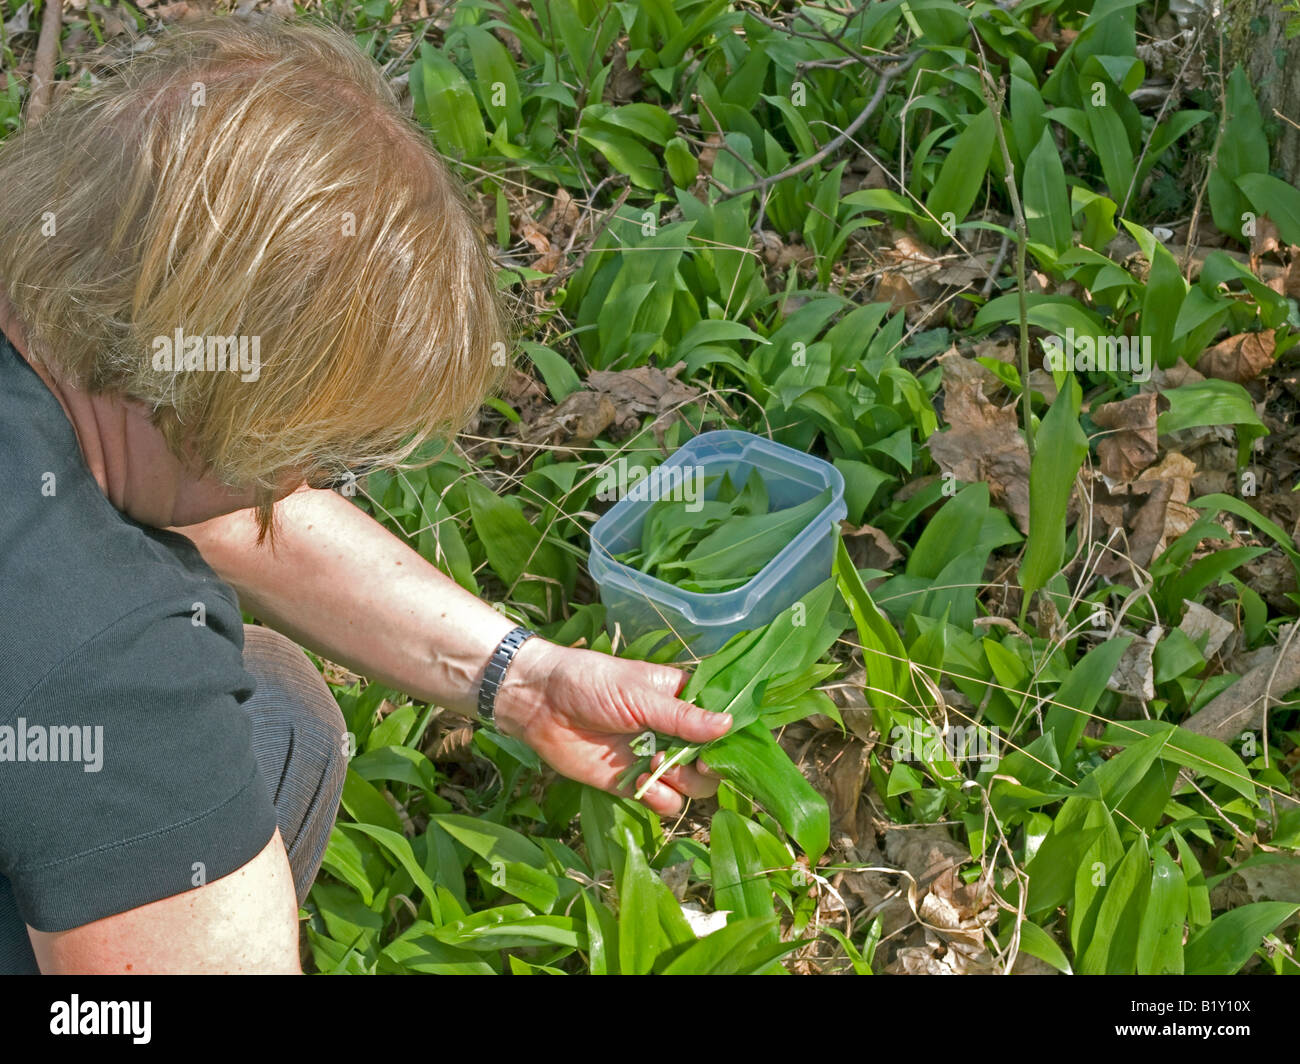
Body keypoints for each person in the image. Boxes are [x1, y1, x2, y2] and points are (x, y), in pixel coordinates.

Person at [0, 15, 730, 974]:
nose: (297, 482)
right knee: (268, 736)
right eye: (305, 445)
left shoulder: (55, 300)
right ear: (202, 390)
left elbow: (220, 505)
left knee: (276, 711)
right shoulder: (116, 675)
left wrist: (524, 677)